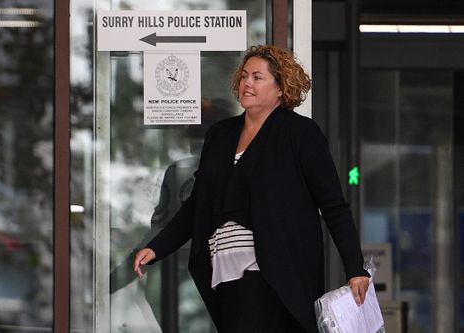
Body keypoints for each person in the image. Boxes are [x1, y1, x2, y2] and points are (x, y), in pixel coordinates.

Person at [134, 44, 370, 333]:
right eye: (244, 76)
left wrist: (355, 269)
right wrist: (157, 247)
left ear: (281, 88)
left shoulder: (299, 133)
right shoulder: (220, 135)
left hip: (274, 268)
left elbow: (333, 205)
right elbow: (198, 204)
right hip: (224, 268)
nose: (247, 83)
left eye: (258, 77)